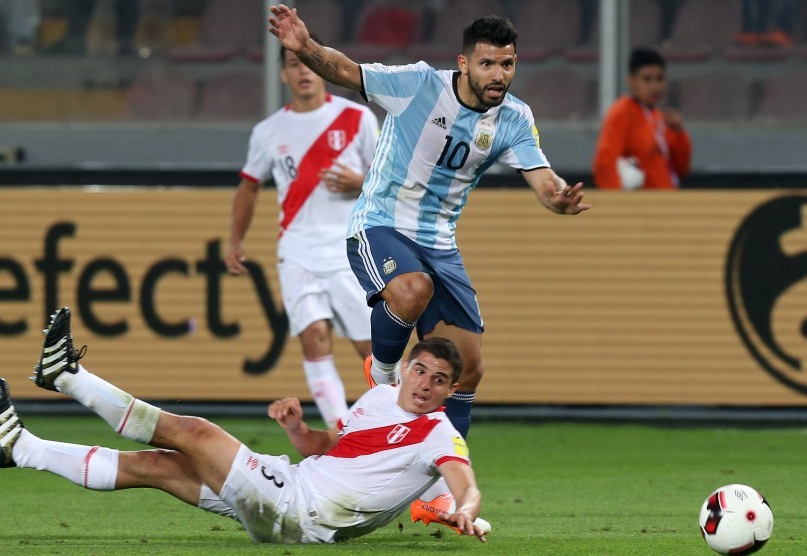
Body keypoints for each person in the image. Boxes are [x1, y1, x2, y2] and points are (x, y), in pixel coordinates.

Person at [266, 4, 590, 443]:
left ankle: (438, 489)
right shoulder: (418, 85)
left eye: (507, 64)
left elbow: (544, 180)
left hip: (439, 242)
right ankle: (382, 374)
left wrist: (558, 198)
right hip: (380, 224)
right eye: (487, 63)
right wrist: (304, 46)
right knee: (411, 288)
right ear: (464, 63)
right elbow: (346, 71)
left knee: (468, 368)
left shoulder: (513, 118)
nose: (498, 74)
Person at [0, 307, 490, 544]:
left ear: (451, 390)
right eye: (420, 370)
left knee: (197, 432)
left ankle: (68, 377)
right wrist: (298, 431)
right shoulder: (380, 396)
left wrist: (465, 509)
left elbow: (464, 486)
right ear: (406, 368)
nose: (425, 383)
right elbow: (331, 447)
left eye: (440, 379)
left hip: (303, 512)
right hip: (294, 481)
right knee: (158, 466)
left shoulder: (440, 434)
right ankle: (19, 447)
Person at [224, 40, 379, 428]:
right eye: (294, 64)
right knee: (313, 340)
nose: (304, 71)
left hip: (349, 250)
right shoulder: (267, 131)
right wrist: (235, 241)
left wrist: (359, 182)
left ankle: (390, 425)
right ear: (283, 74)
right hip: (297, 252)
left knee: (372, 350)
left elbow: (387, 183)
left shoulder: (357, 118)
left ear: (322, 67)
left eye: (310, 63)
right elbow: (248, 186)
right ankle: (341, 433)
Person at [592, 47, 692, 190]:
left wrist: (679, 133)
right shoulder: (621, 112)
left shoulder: (658, 116)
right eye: (647, 79)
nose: (655, 86)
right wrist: (615, 205)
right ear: (631, 81)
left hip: (666, 201)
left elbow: (681, 169)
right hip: (642, 207)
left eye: (659, 78)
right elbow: (605, 164)